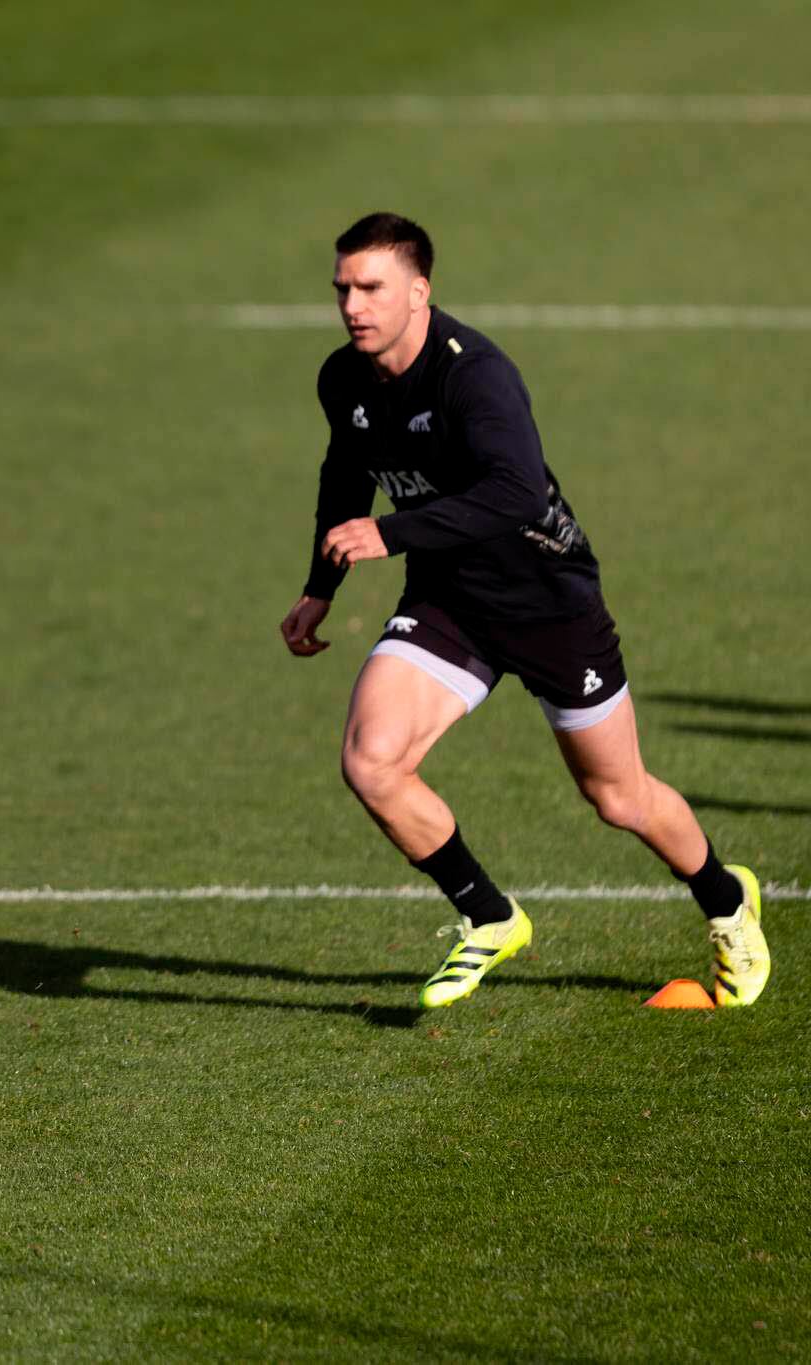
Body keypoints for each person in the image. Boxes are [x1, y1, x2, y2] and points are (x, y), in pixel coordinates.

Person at [279, 213, 769, 1009]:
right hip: (449, 603)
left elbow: (515, 492)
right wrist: (320, 586)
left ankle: (726, 900)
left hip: (548, 602)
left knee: (619, 798)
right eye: (342, 288)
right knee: (371, 760)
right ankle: (489, 916)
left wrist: (391, 532)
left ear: (419, 291)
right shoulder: (344, 378)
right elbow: (346, 472)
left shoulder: (477, 375)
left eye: (370, 288)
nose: (352, 305)